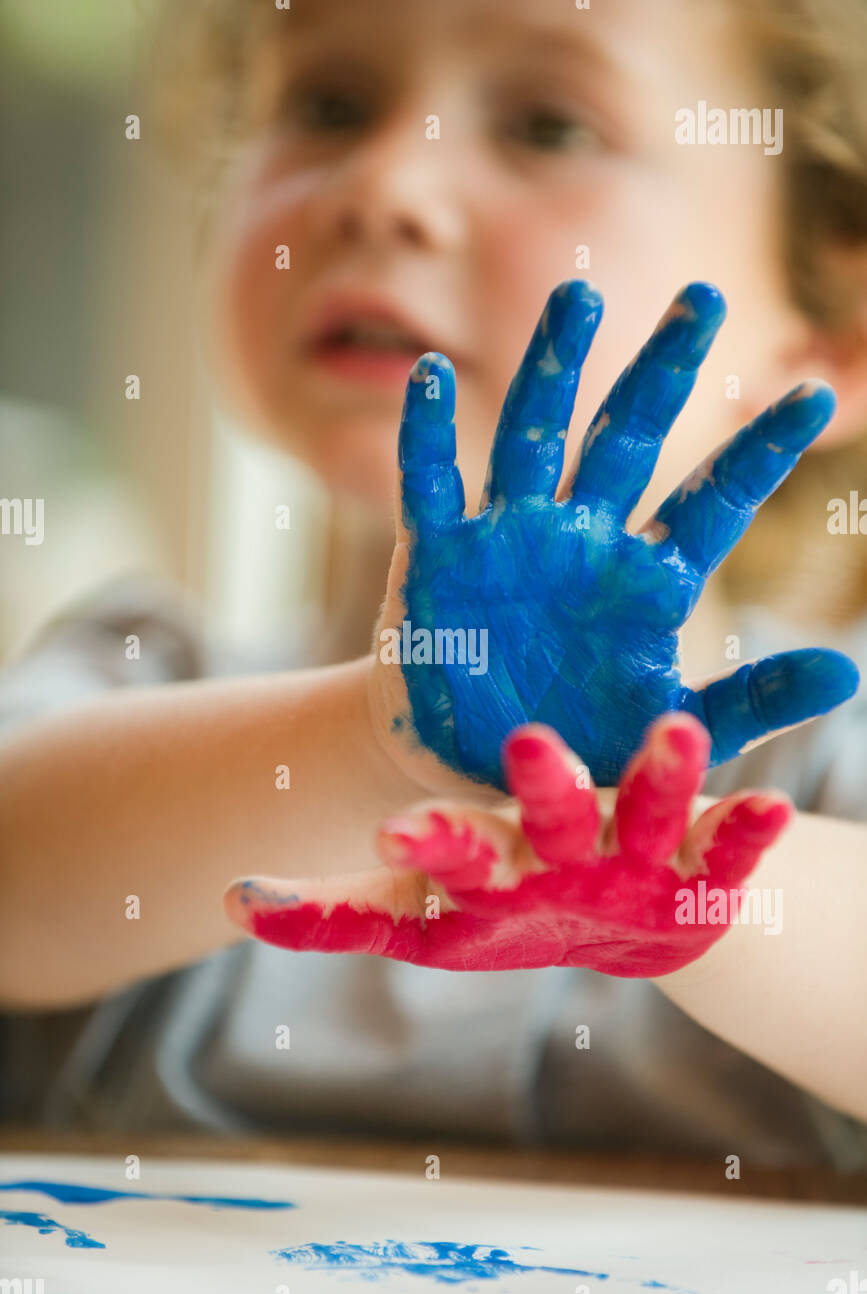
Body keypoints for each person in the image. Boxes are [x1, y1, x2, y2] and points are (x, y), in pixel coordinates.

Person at [1, 0, 865, 1164]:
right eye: (329, 105)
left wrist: (689, 897)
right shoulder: (142, 675)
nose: (385, 184)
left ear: (835, 331)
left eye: (550, 126)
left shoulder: (824, 759)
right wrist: (374, 735)